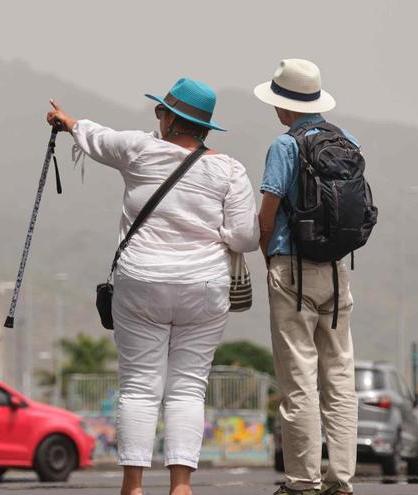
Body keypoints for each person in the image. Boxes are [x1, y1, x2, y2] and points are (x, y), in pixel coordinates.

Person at [46, 77, 259, 495]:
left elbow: (97, 137)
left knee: (141, 387)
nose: (157, 117)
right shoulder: (229, 170)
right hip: (204, 286)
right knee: (187, 389)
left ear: (172, 119)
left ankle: (134, 487)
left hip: (141, 282)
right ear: (203, 129)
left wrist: (67, 121)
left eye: (161, 111)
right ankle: (181, 487)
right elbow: (244, 238)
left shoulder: (139, 150)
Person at [253, 59, 360, 495]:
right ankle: (343, 479)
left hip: (292, 269)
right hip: (336, 272)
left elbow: (267, 213)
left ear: (284, 105)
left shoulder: (285, 146)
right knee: (339, 377)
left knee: (299, 378)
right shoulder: (347, 140)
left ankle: (302, 481)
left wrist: (268, 255)